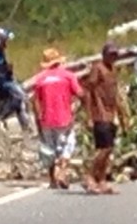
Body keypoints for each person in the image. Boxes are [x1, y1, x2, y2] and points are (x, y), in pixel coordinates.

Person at [28, 48, 83, 189]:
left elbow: (35, 101)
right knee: (68, 144)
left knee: (49, 148)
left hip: (46, 119)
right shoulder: (68, 76)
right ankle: (63, 171)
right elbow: (80, 93)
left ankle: (52, 179)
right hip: (64, 117)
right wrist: (76, 108)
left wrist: (38, 118)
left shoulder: (40, 79)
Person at [80, 42, 130, 195]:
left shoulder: (113, 69)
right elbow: (88, 91)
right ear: (104, 55)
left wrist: (122, 115)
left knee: (109, 150)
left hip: (111, 114)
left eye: (116, 55)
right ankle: (89, 176)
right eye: (111, 54)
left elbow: (115, 94)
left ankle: (101, 180)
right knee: (104, 148)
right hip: (99, 114)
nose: (113, 57)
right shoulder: (98, 68)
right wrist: (89, 115)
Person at [0, 27, 31, 131]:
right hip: (1, 84)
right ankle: (0, 117)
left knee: (20, 99)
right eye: (3, 40)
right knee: (20, 98)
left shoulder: (0, 53)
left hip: (6, 81)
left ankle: (25, 125)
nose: (5, 43)